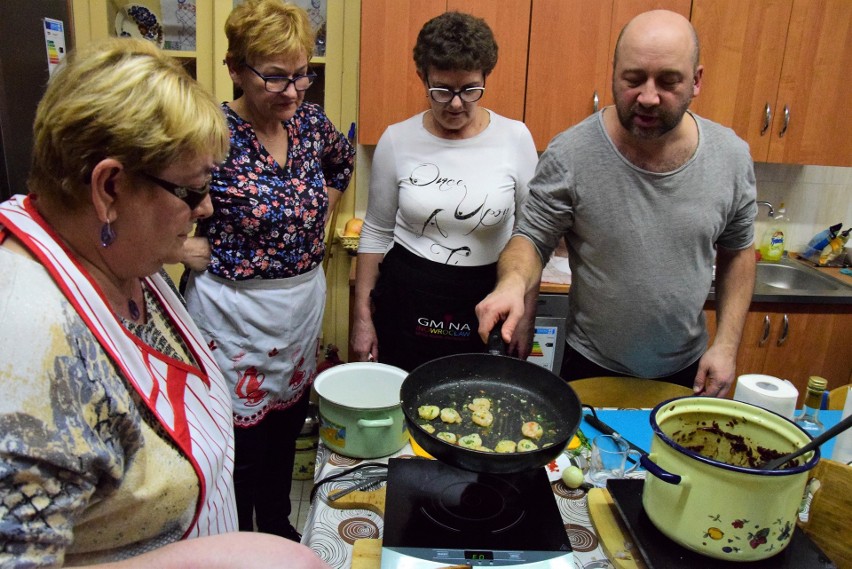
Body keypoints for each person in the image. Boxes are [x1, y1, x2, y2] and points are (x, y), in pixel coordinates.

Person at [0, 38, 328, 568]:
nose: (207, 207)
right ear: (109, 188)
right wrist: (218, 559)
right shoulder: (26, 350)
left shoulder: (116, 256)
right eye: (192, 190)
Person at [476, 10, 757, 397]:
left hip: (689, 369)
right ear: (613, 72)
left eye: (668, 81)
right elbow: (532, 238)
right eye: (633, 79)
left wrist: (726, 344)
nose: (648, 97)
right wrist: (511, 284)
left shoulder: (731, 157)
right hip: (589, 364)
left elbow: (738, 252)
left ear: (696, 81)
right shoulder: (572, 153)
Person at [181, 0, 354, 541]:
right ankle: (233, 543)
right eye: (275, 76)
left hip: (299, 306)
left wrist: (322, 210)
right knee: (237, 450)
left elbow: (341, 161)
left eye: (302, 74)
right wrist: (183, 250)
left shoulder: (307, 123)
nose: (293, 90)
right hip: (231, 310)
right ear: (235, 68)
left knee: (284, 434)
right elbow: (151, 196)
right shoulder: (209, 131)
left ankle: (278, 532)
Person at [350, 11, 539, 371]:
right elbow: (375, 232)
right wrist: (362, 318)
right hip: (408, 297)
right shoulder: (397, 139)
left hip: (488, 296)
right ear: (423, 77)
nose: (455, 103)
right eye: (441, 90)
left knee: (478, 404)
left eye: (469, 89)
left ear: (486, 77)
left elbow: (531, 236)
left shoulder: (515, 138)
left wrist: (527, 319)